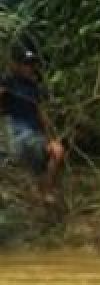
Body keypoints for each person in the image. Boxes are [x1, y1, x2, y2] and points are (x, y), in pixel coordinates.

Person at [0, 42, 64, 201]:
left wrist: (51, 137)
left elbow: (40, 113)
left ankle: (45, 190)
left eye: (31, 64)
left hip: (34, 135)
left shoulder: (33, 86)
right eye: (25, 64)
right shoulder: (8, 82)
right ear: (14, 65)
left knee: (58, 152)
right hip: (17, 136)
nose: (30, 67)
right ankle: (38, 191)